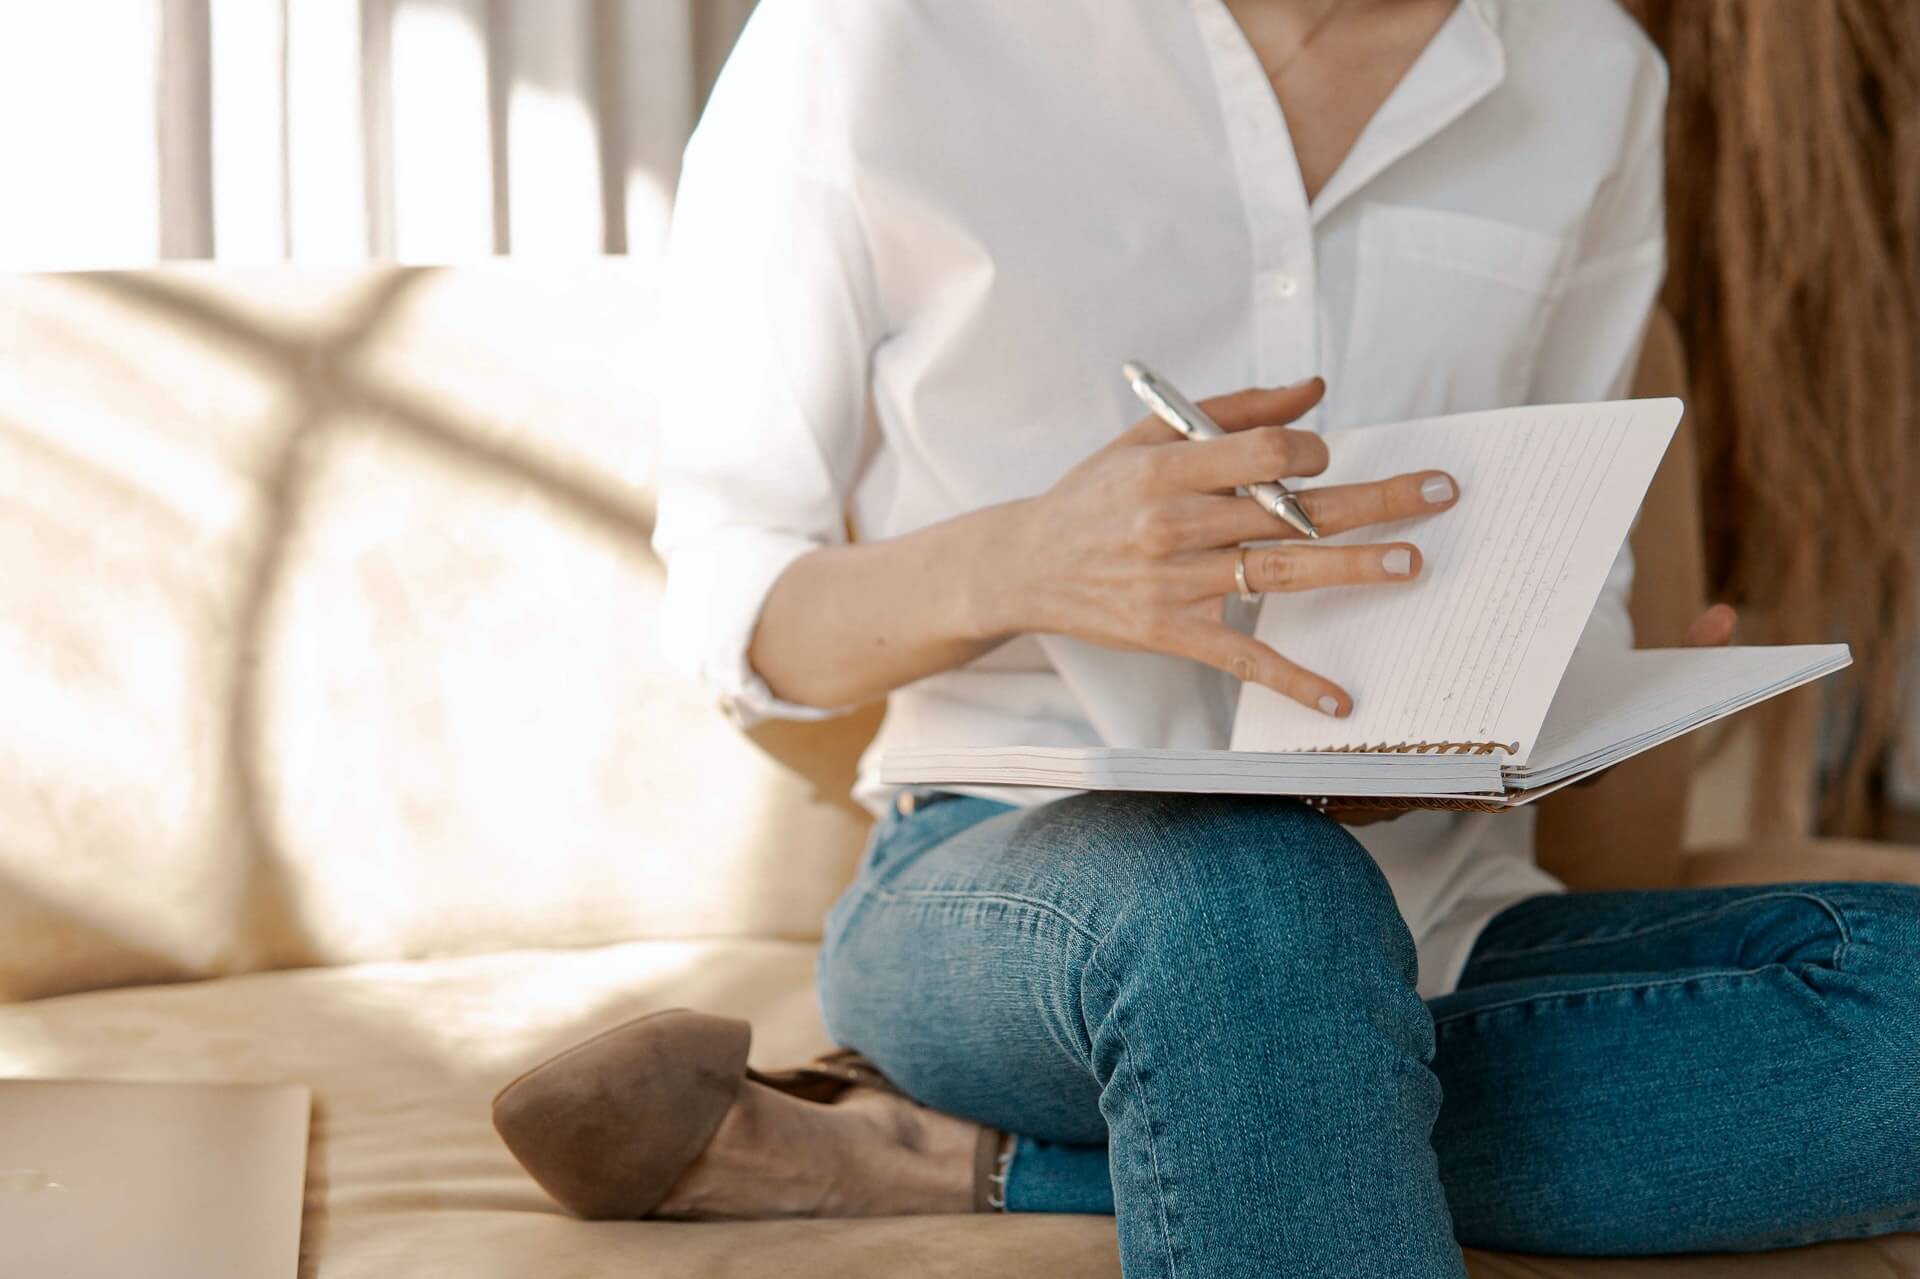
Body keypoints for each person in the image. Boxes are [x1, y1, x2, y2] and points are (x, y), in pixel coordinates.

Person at [491, 2, 1920, 1275]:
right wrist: (1024, 559)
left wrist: (1569, 701)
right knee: (1254, 893)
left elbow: (1569, 562)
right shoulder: (875, 38)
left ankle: (957, 1158)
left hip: (1444, 910)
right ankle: (1235, 1094)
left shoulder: (1588, 67)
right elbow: (739, 616)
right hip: (1008, 875)